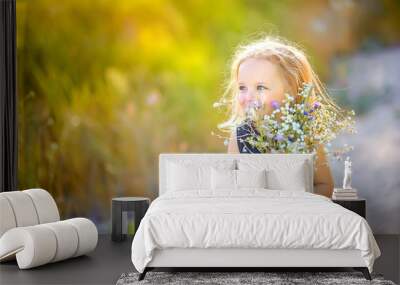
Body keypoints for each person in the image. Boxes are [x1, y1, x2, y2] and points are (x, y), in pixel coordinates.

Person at [216, 35, 337, 198]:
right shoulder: (240, 138)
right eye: (242, 87)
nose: (248, 96)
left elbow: (324, 185)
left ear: (291, 91)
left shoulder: (305, 134)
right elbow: (234, 190)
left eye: (260, 87)